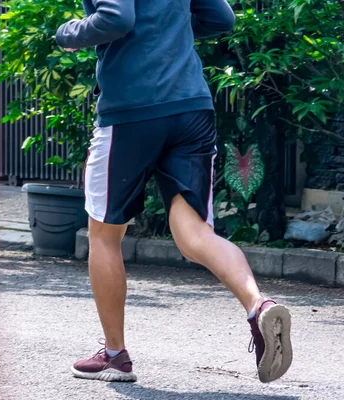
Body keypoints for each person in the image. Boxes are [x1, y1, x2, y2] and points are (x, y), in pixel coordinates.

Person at [56, 0, 293, 384]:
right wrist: (169, 33)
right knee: (195, 235)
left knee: (104, 235)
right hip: (190, 107)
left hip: (131, 111)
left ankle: (115, 356)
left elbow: (117, 17)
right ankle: (258, 305)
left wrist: (68, 33)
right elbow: (221, 17)